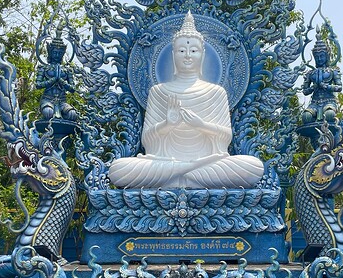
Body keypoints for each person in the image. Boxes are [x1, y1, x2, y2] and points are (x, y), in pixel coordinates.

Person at [108, 11, 264, 189]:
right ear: (173, 55)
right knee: (119, 169)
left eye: (193, 50)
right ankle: (188, 175)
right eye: (182, 50)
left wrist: (201, 125)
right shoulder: (158, 91)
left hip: (206, 163)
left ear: (202, 55)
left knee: (252, 166)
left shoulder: (216, 92)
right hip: (167, 163)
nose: (187, 55)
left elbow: (225, 139)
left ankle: (177, 178)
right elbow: (148, 142)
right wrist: (167, 124)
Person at [36, 30, 78, 121]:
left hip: (62, 101)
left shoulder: (67, 70)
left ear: (62, 54)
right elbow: (38, 85)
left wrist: (61, 81)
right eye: (55, 52)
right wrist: (53, 80)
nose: (57, 55)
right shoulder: (44, 68)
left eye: (59, 53)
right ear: (50, 52)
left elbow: (73, 89)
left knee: (72, 114)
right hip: (48, 99)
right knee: (48, 113)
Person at [302, 38, 342, 124]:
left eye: (322, 56)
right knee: (306, 116)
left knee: (329, 114)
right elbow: (305, 91)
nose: (319, 59)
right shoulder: (311, 73)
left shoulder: (332, 71)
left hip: (329, 101)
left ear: (327, 56)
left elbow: (339, 87)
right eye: (317, 57)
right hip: (314, 102)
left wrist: (327, 86)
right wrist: (313, 87)